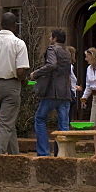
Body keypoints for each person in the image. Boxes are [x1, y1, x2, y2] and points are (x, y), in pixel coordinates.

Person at [0, 12, 30, 155]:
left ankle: (15, 156)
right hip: (12, 84)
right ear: (14, 26)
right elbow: (21, 71)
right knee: (5, 123)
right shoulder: (18, 43)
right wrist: (24, 81)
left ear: (0, 24)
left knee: (7, 122)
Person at [29, 29, 73, 157]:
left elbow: (52, 65)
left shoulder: (52, 49)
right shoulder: (67, 52)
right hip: (65, 91)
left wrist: (35, 74)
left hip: (52, 91)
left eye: (50, 37)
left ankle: (43, 152)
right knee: (64, 124)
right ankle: (63, 153)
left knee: (40, 119)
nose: (49, 39)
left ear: (54, 39)